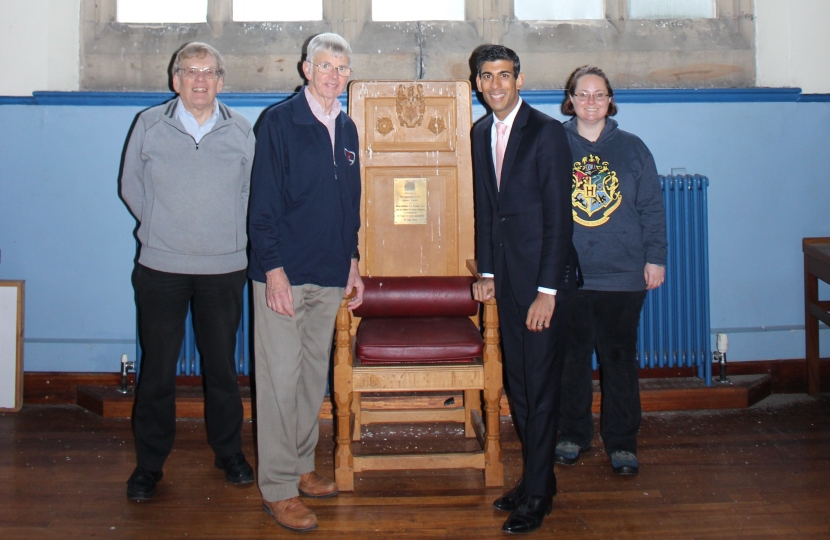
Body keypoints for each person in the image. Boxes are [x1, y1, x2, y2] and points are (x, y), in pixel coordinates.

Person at [120, 42, 256, 501]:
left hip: (223, 269)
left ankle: (229, 452)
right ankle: (149, 465)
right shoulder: (149, 125)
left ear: (221, 81)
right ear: (174, 79)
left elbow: (250, 196)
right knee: (156, 370)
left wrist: (223, 235)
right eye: (190, 71)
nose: (200, 80)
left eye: (209, 72)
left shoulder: (241, 131)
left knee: (222, 369)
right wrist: (163, 228)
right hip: (161, 265)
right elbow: (130, 187)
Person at [247, 33, 364, 533]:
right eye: (324, 65)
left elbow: (349, 204)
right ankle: (277, 488)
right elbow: (262, 205)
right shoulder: (278, 122)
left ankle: (300, 466)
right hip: (285, 276)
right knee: (278, 381)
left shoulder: (348, 127)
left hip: (331, 271)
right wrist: (272, 269)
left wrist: (353, 260)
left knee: (310, 378)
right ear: (305, 69)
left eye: (341, 67)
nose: (332, 75)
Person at [471, 45, 581, 535]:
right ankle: (536, 478)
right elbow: (486, 213)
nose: (496, 85)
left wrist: (548, 291)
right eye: (487, 76)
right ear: (477, 83)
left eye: (505, 75)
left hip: (543, 286)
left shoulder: (547, 133)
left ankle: (538, 494)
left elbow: (561, 219)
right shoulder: (479, 133)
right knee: (518, 385)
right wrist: (489, 275)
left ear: (520, 79)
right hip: (508, 283)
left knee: (540, 389)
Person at [555, 66, 667, 476]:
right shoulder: (554, 144)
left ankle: (621, 441)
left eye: (598, 95)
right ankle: (573, 433)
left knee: (619, 360)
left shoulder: (634, 149)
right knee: (571, 360)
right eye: (582, 95)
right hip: (569, 275)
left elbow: (652, 208)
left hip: (622, 274)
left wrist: (656, 257)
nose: (590, 102)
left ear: (610, 100)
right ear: (570, 100)